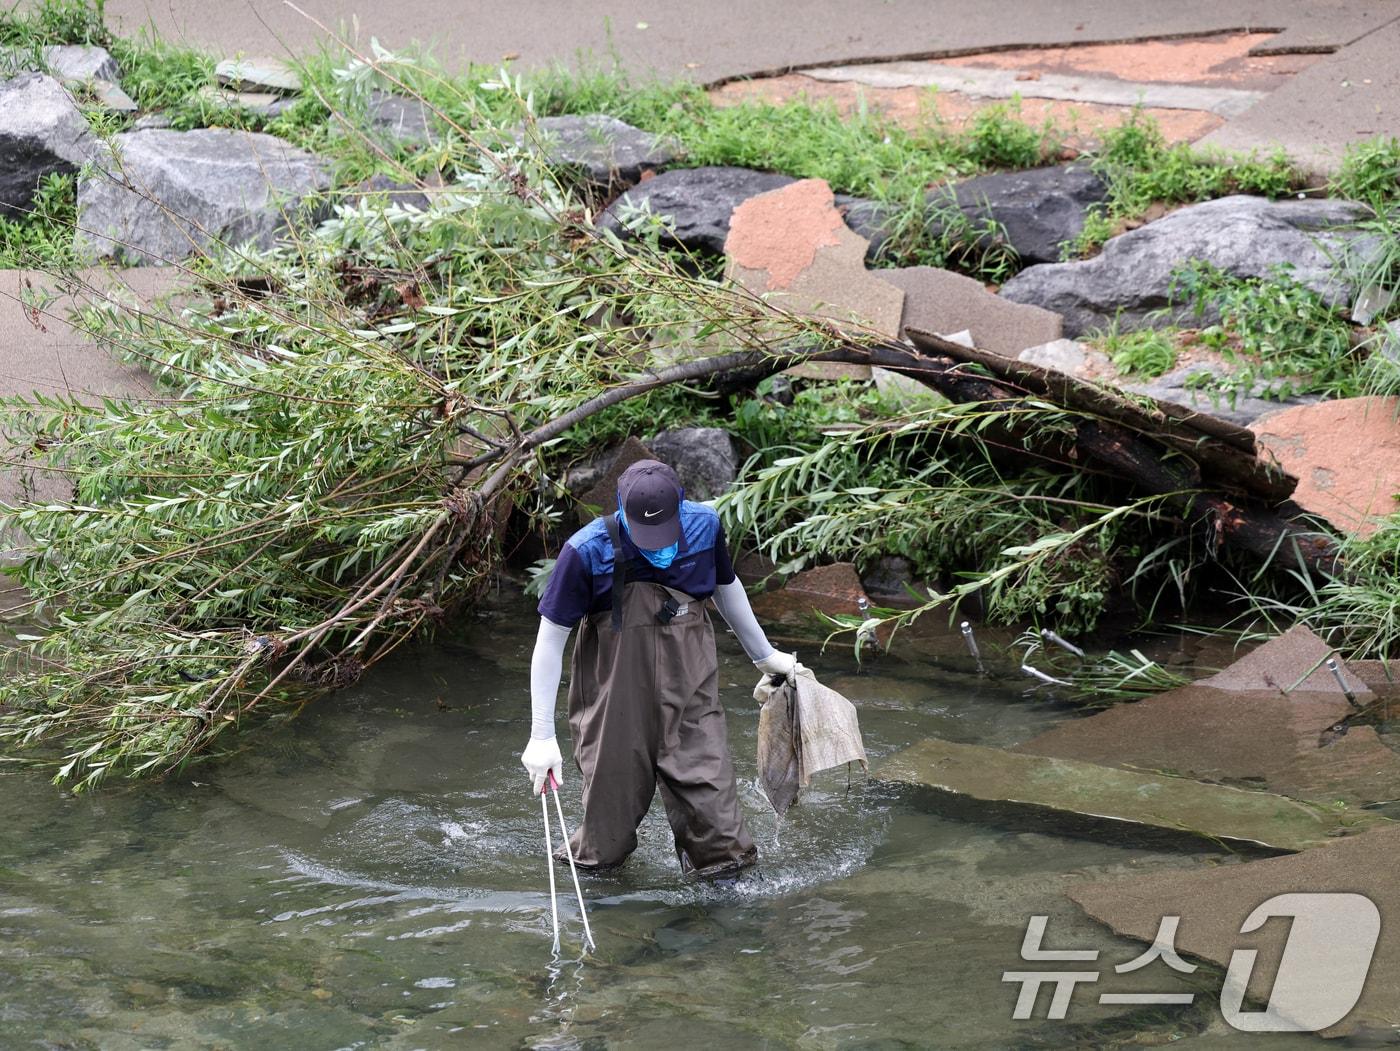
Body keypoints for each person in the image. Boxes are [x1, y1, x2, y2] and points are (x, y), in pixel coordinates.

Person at [520, 459, 798, 877]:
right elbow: (550, 637)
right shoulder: (586, 551)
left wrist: (764, 655)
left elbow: (726, 587)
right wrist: (541, 735)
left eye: (664, 533)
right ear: (620, 509)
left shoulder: (705, 528)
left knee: (723, 845)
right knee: (602, 847)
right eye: (646, 536)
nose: (656, 545)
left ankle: (722, 927)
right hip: (614, 706)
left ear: (681, 507)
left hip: (691, 697)